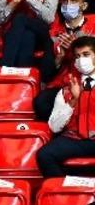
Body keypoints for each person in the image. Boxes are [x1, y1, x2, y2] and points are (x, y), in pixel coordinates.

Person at [39, 36, 95, 177]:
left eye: (86, 54)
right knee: (45, 155)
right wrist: (74, 101)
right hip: (76, 139)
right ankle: (63, 193)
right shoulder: (67, 87)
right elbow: (54, 126)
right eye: (77, 56)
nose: (81, 60)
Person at [36, 0, 95, 120]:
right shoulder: (53, 33)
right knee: (41, 103)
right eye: (65, 1)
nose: (68, 5)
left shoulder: (94, 24)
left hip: (91, 81)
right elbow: (46, 75)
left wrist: (76, 48)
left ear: (84, 6)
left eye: (74, 1)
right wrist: (60, 57)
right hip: (64, 84)